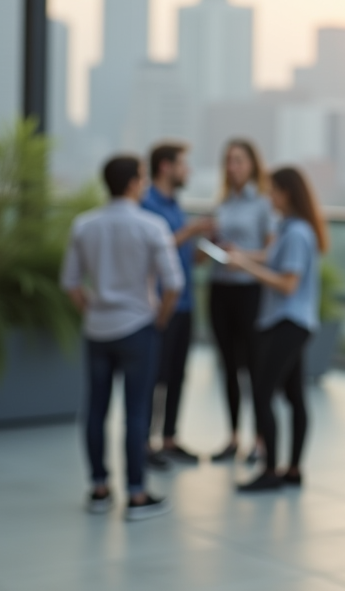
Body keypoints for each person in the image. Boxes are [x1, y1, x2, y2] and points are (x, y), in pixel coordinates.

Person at [61, 155, 184, 521]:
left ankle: (99, 488)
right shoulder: (152, 225)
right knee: (136, 413)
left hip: (97, 329)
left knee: (95, 410)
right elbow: (174, 285)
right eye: (142, 177)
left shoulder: (84, 225)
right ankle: (136, 494)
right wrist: (159, 319)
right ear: (133, 183)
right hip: (138, 328)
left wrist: (91, 310)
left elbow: (70, 283)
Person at [224, 166, 327, 492]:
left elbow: (287, 283)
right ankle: (293, 470)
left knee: (262, 393)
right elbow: (272, 258)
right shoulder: (291, 228)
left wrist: (245, 266)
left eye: (273, 191)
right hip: (294, 322)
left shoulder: (296, 233)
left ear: (287, 193)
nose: (269, 197)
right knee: (294, 396)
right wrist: (242, 256)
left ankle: (270, 470)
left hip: (287, 321)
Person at [141, 141, 213, 467]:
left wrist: (204, 244)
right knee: (153, 376)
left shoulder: (175, 205)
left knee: (177, 374)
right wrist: (190, 230)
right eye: (183, 164)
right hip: (160, 305)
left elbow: (184, 258)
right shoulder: (147, 205)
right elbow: (155, 249)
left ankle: (169, 438)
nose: (189, 171)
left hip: (185, 304)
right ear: (166, 167)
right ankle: (145, 443)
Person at [207, 139, 274, 462]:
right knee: (228, 365)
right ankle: (233, 437)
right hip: (220, 289)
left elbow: (273, 253)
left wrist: (241, 257)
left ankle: (260, 440)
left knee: (255, 366)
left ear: (251, 165)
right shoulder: (222, 203)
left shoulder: (263, 204)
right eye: (228, 161)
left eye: (238, 160)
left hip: (250, 290)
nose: (232, 167)